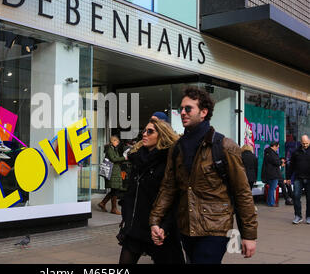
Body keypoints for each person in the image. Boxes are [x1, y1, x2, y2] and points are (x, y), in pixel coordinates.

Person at [149, 86, 257, 264]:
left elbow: (242, 193)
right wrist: (156, 221)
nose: (182, 112)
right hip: (186, 227)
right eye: (181, 109)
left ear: (203, 112)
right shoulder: (177, 148)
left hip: (215, 229)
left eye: (188, 108)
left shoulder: (224, 146)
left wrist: (249, 236)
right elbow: (168, 188)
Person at [118, 118, 184, 264]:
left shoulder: (169, 160)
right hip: (136, 227)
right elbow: (132, 193)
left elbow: (175, 198)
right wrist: (127, 215)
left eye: (150, 131)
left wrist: (164, 227)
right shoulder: (138, 158)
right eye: (144, 131)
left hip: (159, 228)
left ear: (161, 135)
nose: (144, 134)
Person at [98, 135, 127, 215]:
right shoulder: (110, 149)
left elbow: (115, 158)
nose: (117, 143)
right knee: (115, 189)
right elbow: (113, 159)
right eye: (117, 141)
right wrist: (124, 158)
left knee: (115, 189)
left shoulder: (113, 149)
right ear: (113, 141)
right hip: (112, 172)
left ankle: (104, 203)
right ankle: (112, 208)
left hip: (115, 171)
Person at [290, 135, 310, 224]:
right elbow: (291, 166)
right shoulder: (296, 152)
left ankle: (309, 216)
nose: (305, 145)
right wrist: (288, 177)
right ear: (300, 142)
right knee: (296, 196)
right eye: (303, 143)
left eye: (306, 143)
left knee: (309, 199)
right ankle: (298, 216)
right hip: (298, 178)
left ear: (309, 141)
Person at [261, 141, 281, 207]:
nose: (277, 149)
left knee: (271, 189)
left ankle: (270, 202)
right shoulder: (271, 153)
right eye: (277, 147)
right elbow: (276, 162)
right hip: (273, 174)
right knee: (272, 189)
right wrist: (280, 162)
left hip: (269, 173)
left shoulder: (267, 152)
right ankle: (271, 203)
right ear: (274, 146)